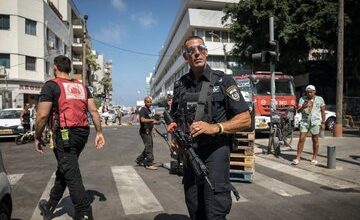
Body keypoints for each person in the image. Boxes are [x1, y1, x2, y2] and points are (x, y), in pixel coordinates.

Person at [170, 36, 251, 220]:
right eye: (191, 50)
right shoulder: (180, 85)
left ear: (206, 52)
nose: (196, 53)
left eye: (200, 48)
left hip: (215, 151)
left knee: (214, 209)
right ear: (186, 57)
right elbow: (175, 117)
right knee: (194, 206)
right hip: (190, 154)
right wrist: (174, 137)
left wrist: (215, 128)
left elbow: (245, 119)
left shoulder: (223, 81)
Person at [34, 55, 105, 220]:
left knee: (71, 172)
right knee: (65, 167)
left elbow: (42, 116)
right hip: (82, 133)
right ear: (69, 68)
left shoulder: (51, 86)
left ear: (55, 68)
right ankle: (50, 205)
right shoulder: (82, 86)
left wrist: (37, 137)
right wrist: (99, 132)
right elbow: (93, 111)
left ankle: (84, 213)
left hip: (65, 134)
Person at [292, 85, 325, 165]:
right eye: (308, 92)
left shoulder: (320, 99)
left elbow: (323, 111)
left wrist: (323, 122)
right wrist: (303, 106)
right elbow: (299, 111)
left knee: (315, 139)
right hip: (304, 121)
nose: (309, 93)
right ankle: (298, 157)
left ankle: (314, 157)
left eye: (311, 92)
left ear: (314, 91)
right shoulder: (302, 99)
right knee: (301, 139)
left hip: (315, 121)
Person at [135, 96, 159, 170]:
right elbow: (142, 120)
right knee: (149, 147)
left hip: (149, 130)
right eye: (148, 102)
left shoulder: (149, 110)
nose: (150, 103)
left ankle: (139, 159)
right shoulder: (143, 109)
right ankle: (149, 163)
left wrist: (154, 130)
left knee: (149, 146)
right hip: (144, 131)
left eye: (150, 102)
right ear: (145, 102)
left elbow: (151, 122)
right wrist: (152, 120)